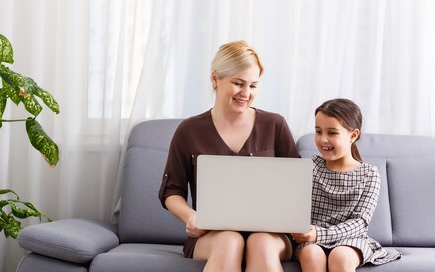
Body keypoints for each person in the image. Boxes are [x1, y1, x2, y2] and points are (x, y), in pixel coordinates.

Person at [158, 40, 300, 272]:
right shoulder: (189, 130)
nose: (246, 93)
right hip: (213, 235)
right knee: (229, 241)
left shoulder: (274, 124)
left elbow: (296, 187)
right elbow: (171, 191)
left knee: (261, 243)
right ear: (215, 79)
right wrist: (191, 217)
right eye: (238, 83)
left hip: (271, 235)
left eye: (253, 86)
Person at [292, 98, 401, 272]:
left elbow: (360, 222)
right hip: (312, 240)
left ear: (353, 135)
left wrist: (320, 233)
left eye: (332, 133)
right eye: (318, 132)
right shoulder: (310, 167)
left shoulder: (369, 174)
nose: (323, 139)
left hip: (352, 238)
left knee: (340, 256)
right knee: (311, 253)